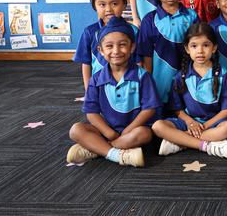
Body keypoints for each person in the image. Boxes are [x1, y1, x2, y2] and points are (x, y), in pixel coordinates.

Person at [67, 17, 160, 167]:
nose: (116, 51)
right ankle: (117, 154)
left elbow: (149, 109)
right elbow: (91, 112)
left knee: (145, 134)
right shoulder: (96, 79)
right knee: (76, 130)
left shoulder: (143, 76)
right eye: (109, 46)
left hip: (133, 130)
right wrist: (108, 132)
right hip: (106, 129)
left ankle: (96, 149)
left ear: (132, 47)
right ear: (101, 50)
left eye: (123, 45)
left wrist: (128, 129)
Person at [152, 23, 227, 159]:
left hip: (212, 122)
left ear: (214, 48)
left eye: (206, 45)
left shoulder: (222, 74)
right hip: (189, 122)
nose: (200, 51)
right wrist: (191, 123)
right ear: (187, 48)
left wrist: (205, 125)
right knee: (158, 126)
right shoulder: (181, 76)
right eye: (194, 46)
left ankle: (180, 141)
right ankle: (207, 146)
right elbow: (177, 109)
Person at [138, 0, 199, 113]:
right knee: (159, 121)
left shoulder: (192, 16)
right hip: (159, 82)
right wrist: (149, 82)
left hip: (188, 80)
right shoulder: (149, 20)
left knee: (187, 115)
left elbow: (199, 47)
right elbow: (146, 55)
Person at [74, 0, 140, 90]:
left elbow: (139, 61)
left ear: (124, 4)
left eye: (114, 4)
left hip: (129, 87)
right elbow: (86, 63)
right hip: (100, 85)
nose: (108, 9)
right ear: (94, 6)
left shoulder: (134, 31)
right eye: (102, 4)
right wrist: (88, 90)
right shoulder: (89, 32)